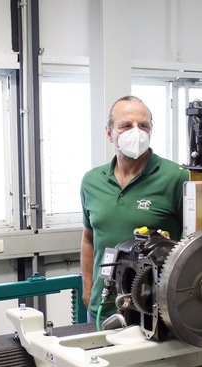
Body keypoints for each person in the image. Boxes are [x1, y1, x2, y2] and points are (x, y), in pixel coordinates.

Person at [80, 95, 189, 323]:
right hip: (102, 307)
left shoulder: (177, 178)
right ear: (109, 133)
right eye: (126, 126)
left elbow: (199, 242)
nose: (136, 132)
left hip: (154, 310)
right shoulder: (92, 181)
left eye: (143, 125)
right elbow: (89, 238)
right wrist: (88, 288)